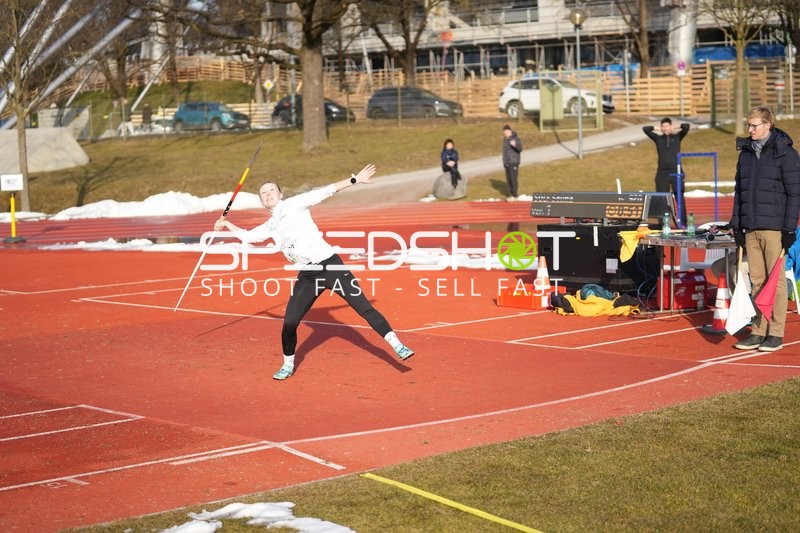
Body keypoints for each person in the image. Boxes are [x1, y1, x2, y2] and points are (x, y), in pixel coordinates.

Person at [214, 164, 415, 380]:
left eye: (272, 190)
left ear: (280, 194)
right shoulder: (271, 225)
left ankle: (397, 345)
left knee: (363, 307)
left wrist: (354, 180)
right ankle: (287, 364)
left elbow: (325, 191)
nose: (268, 194)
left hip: (331, 266)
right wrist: (226, 224)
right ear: (262, 201)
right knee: (289, 322)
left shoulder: (294, 204)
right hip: (308, 276)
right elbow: (249, 237)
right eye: (264, 193)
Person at [730, 106, 800, 352]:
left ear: (767, 125)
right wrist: (736, 224)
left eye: (754, 125)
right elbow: (740, 192)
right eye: (748, 125)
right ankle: (759, 330)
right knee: (757, 281)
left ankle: (776, 333)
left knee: (775, 282)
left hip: (774, 228)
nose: (750, 130)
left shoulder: (786, 154)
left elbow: (795, 194)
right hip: (751, 226)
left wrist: (789, 229)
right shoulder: (746, 155)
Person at [643, 118, 690, 225]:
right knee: (661, 198)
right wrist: (658, 128)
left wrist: (675, 127)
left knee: (679, 197)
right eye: (663, 126)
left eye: (667, 126)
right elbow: (645, 129)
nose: (665, 128)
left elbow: (686, 126)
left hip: (676, 171)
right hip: (662, 172)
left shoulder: (677, 137)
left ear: (671, 126)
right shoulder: (658, 138)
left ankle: (683, 223)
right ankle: (663, 223)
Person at [502, 124, 522, 200]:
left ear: (510, 131)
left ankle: (515, 194)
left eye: (507, 131)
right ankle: (511, 194)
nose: (506, 132)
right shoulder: (505, 139)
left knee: (513, 178)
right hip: (506, 162)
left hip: (513, 161)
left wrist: (514, 145)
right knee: (508, 179)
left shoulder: (515, 138)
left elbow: (520, 149)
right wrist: (504, 162)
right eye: (504, 131)